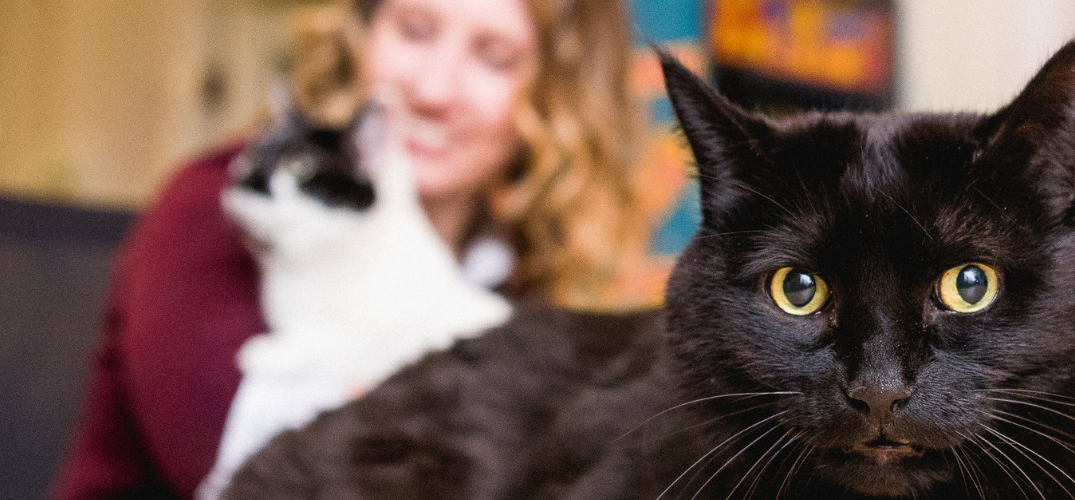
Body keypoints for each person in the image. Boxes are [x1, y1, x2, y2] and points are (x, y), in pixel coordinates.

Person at [50, 0, 651, 496]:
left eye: (493, 59)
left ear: (554, 96)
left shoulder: (506, 269)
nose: (434, 88)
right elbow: (274, 473)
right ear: (361, 34)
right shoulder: (237, 206)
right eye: (414, 31)